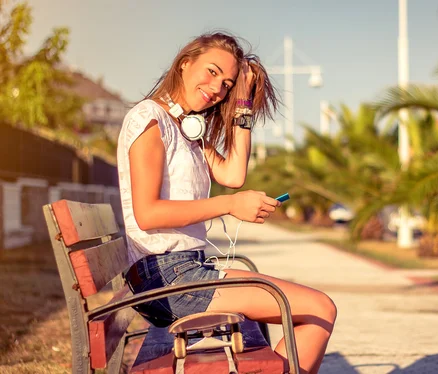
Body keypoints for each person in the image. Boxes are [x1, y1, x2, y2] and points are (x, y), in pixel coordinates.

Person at [117, 31, 336, 374]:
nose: (217, 88)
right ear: (185, 63)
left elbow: (234, 175)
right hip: (169, 279)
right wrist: (230, 205)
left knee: (318, 308)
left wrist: (244, 102)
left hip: (185, 273)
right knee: (319, 308)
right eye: (212, 72)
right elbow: (148, 214)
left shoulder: (187, 129)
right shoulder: (151, 120)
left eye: (228, 84)